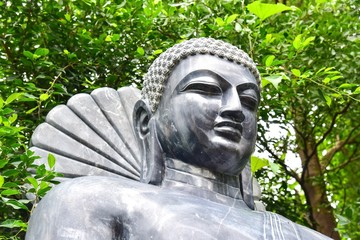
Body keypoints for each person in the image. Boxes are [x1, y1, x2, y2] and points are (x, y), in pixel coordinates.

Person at [26, 38, 330, 239]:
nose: (236, 109)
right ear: (146, 121)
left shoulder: (303, 235)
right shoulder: (89, 201)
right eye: (207, 89)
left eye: (249, 101)